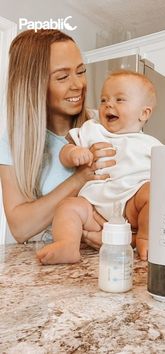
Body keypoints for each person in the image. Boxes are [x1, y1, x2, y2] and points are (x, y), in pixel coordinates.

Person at [0, 29, 115, 247]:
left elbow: (134, 195)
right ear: (33, 85)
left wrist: (119, 236)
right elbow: (20, 227)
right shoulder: (13, 142)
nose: (78, 85)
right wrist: (80, 178)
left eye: (80, 72)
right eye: (62, 77)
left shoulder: (104, 123)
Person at [37, 70, 162, 265]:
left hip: (130, 204)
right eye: (104, 100)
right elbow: (66, 148)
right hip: (93, 206)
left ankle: (145, 239)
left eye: (119, 99)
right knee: (68, 206)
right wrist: (73, 154)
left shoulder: (151, 144)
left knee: (154, 194)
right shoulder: (92, 129)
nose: (108, 104)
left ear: (144, 113)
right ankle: (67, 244)